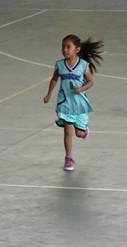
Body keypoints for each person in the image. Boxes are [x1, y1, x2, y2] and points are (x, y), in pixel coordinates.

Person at [42, 34, 104, 171]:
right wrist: (49, 94)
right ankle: (68, 159)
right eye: (63, 47)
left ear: (77, 49)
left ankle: (84, 130)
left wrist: (81, 88)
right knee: (67, 131)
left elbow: (91, 81)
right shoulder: (59, 64)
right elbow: (54, 79)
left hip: (79, 103)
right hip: (64, 102)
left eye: (68, 47)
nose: (65, 49)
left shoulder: (83, 65)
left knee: (79, 134)